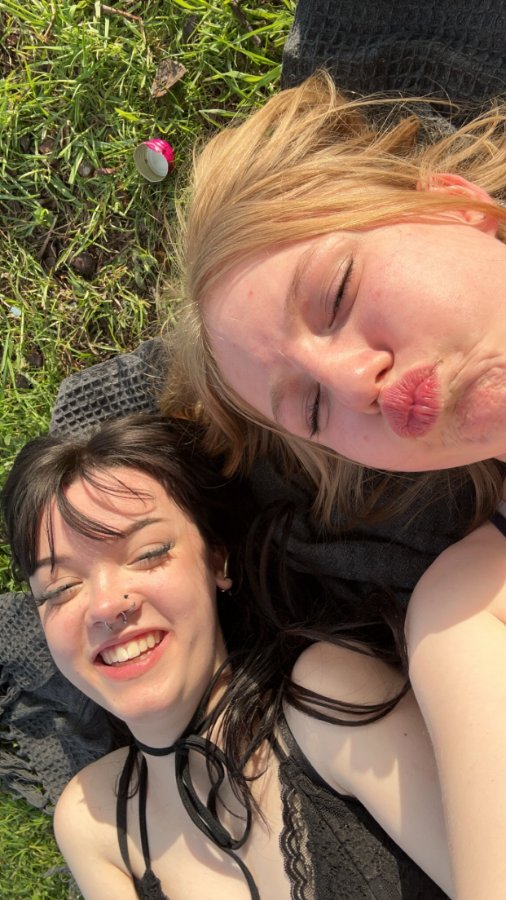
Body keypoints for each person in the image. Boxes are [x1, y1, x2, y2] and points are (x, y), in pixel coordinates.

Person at [164, 71, 506, 897]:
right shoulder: (468, 619)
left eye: (337, 294)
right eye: (313, 408)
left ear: (456, 204)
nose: (354, 383)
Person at [0, 413, 451, 899]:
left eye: (148, 553)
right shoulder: (94, 822)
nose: (106, 606)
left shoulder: (327, 699)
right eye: (61, 588)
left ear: (216, 560)